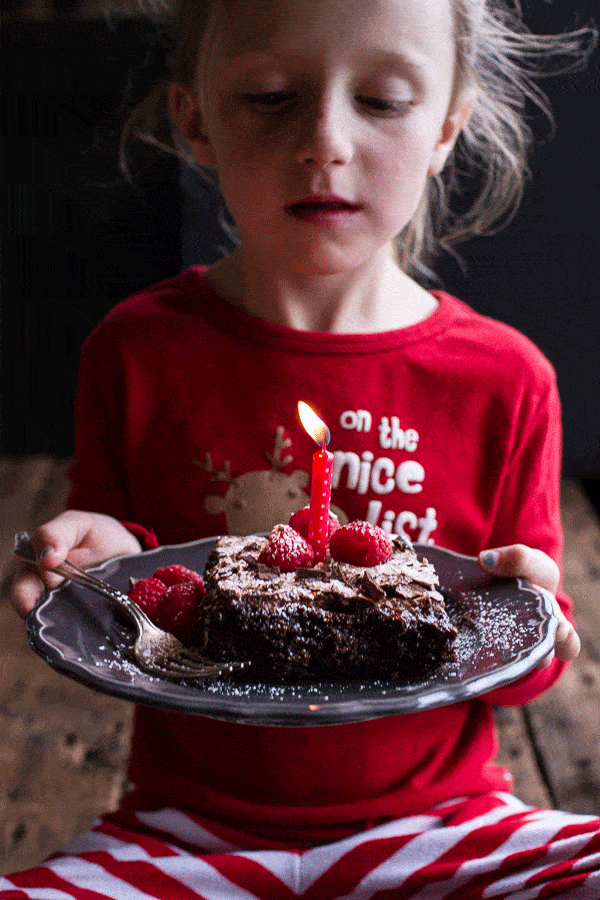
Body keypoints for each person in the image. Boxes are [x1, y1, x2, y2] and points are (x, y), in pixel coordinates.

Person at [4, 0, 599, 896]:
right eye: (272, 95)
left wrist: (537, 627)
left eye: (384, 100)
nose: (325, 140)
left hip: (443, 827)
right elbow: (127, 585)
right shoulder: (137, 352)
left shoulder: (506, 380)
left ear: (447, 126)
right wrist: (98, 565)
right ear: (194, 119)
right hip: (184, 837)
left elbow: (526, 668)